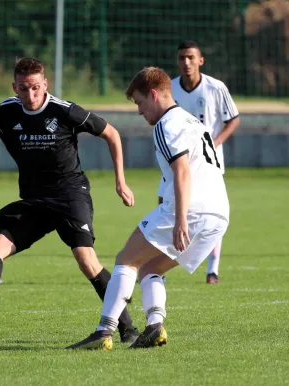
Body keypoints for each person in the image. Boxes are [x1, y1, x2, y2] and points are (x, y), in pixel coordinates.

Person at [0, 57, 140, 344]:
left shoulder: (65, 111)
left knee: (86, 260)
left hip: (70, 195)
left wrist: (120, 181)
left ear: (45, 84)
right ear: (15, 86)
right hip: (36, 201)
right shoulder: (6, 113)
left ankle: (128, 328)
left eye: (36, 87)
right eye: (24, 89)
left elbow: (111, 133)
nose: (31, 95)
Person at [67, 67, 230, 351]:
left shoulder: (167, 124)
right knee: (150, 269)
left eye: (140, 102)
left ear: (154, 95)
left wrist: (180, 220)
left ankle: (104, 332)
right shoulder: (193, 122)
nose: (140, 111)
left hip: (191, 208)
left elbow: (181, 172)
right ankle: (155, 327)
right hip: (218, 215)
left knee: (125, 260)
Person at [162, 40, 239, 284]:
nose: (186, 62)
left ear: (201, 60)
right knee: (166, 204)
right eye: (182, 58)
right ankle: (163, 258)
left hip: (211, 164)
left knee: (212, 212)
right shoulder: (170, 88)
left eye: (191, 58)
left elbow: (233, 119)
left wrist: (214, 144)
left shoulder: (216, 88)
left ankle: (212, 269)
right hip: (179, 162)